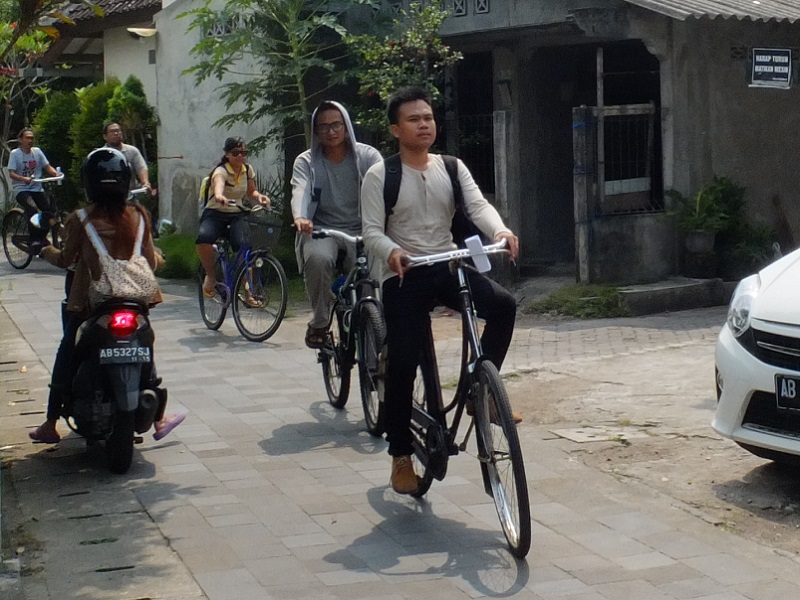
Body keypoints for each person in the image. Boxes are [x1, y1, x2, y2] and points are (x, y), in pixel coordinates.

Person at [361, 86, 520, 495]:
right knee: (403, 361)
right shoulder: (381, 175)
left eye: (428, 118)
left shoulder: (451, 166)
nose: (424, 125)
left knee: (502, 306)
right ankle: (399, 455)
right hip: (405, 274)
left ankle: (479, 391)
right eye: (414, 120)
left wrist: (499, 229)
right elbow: (372, 232)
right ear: (396, 129)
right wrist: (392, 251)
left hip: (448, 264)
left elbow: (477, 205)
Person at [27, 148, 184, 444]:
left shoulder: (81, 218)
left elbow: (66, 259)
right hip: (135, 302)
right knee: (144, 345)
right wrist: (160, 259)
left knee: (68, 351)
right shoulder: (139, 216)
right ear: (125, 181)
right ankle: (160, 417)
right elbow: (150, 261)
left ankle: (50, 423)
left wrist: (44, 248)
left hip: (92, 305)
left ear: (89, 183)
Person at [291, 101, 382, 348]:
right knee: (318, 259)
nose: (330, 132)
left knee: (373, 282)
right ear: (316, 132)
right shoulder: (306, 161)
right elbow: (300, 189)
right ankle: (320, 320)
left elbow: (384, 187)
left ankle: (373, 334)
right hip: (322, 230)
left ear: (346, 126)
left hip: (362, 231)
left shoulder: (368, 156)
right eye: (323, 127)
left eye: (336, 125)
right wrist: (300, 217)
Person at [196, 137, 271, 297]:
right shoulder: (221, 171)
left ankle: (247, 289)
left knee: (245, 247)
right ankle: (210, 275)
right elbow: (218, 185)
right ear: (227, 154)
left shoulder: (247, 170)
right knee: (204, 238)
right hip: (215, 213)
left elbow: (251, 191)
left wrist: (259, 197)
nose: (240, 156)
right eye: (236, 153)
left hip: (236, 213)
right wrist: (219, 195)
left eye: (244, 152)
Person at [7, 127, 61, 253]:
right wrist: (23, 178)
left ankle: (41, 237)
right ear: (21, 140)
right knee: (32, 209)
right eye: (27, 138)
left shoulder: (37, 152)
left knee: (50, 212)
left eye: (32, 138)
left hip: (37, 187)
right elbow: (11, 173)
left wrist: (56, 174)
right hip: (21, 189)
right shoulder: (15, 154)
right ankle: (34, 239)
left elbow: (47, 166)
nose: (30, 140)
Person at [102, 121, 153, 194]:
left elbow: (141, 168)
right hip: (107, 197)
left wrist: (145, 183)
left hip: (130, 195)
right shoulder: (101, 154)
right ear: (105, 136)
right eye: (112, 131)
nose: (116, 134)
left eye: (118, 131)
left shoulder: (132, 151)